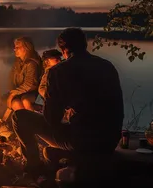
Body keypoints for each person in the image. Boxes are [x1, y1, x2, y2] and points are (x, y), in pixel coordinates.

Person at [12, 27, 124, 175]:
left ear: (63, 48)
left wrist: (65, 113)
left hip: (82, 141)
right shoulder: (106, 66)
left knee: (19, 117)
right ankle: (58, 156)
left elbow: (51, 119)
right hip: (110, 139)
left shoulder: (58, 71)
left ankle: (34, 166)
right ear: (84, 44)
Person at [7, 36, 43, 112]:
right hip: (21, 92)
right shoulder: (17, 63)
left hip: (34, 93)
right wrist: (12, 92)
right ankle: (24, 121)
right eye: (15, 47)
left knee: (25, 100)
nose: (14, 49)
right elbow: (11, 79)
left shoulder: (32, 64)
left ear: (26, 48)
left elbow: (29, 84)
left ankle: (34, 120)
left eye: (18, 47)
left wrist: (12, 94)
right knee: (15, 103)